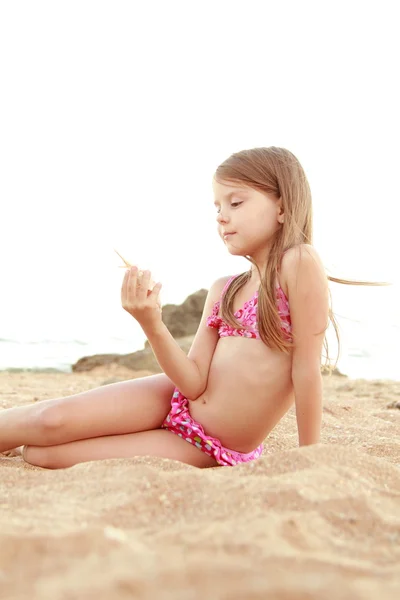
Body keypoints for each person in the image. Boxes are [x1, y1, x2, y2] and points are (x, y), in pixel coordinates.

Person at [0, 146, 374, 469]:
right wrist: (151, 322)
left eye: (236, 202)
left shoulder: (299, 262)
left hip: (207, 443)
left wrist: (309, 459)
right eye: (217, 206)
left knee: (41, 455)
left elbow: (306, 370)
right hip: (173, 397)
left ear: (282, 206)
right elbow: (193, 383)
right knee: (51, 419)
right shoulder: (224, 289)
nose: (221, 216)